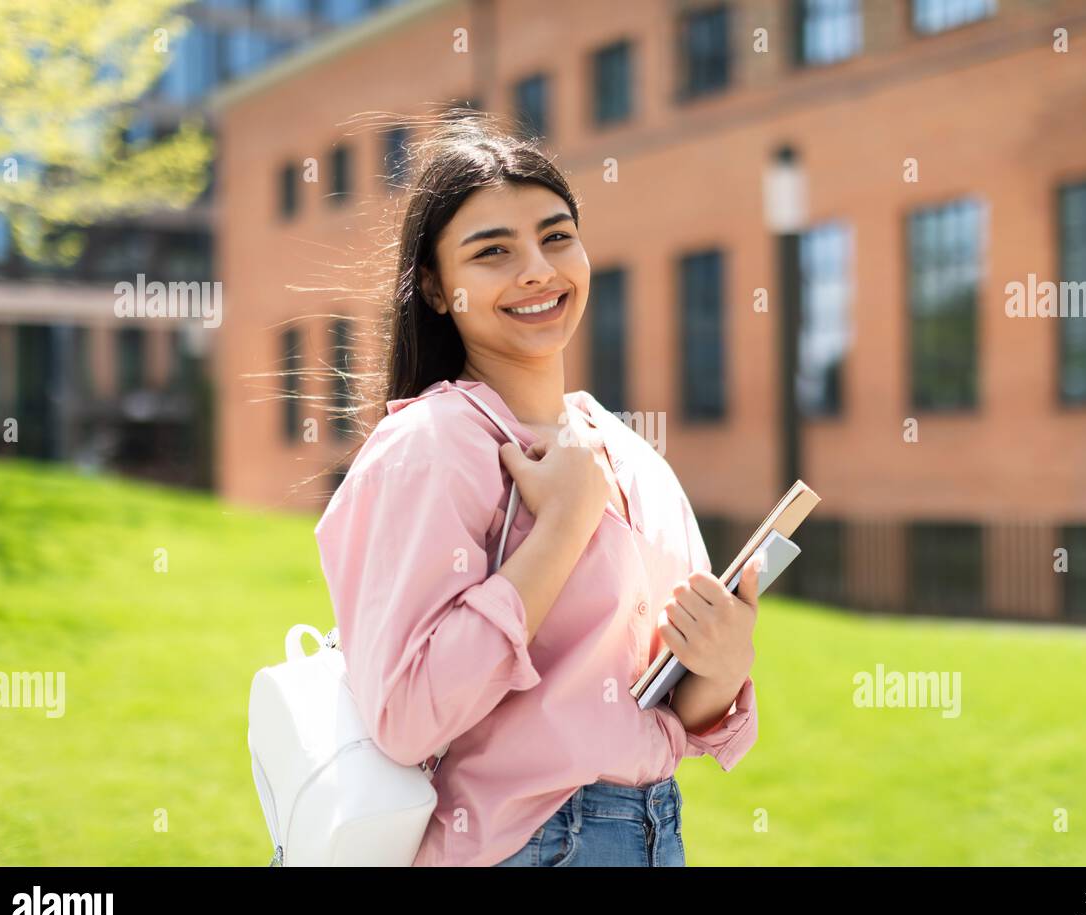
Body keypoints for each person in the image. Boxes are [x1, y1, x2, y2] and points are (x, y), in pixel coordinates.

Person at [313, 110, 760, 867]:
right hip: (520, 846)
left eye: (557, 237)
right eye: (493, 252)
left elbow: (670, 709)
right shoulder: (430, 446)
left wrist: (721, 665)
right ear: (434, 285)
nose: (537, 270)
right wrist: (562, 530)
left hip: (652, 833)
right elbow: (408, 715)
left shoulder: (627, 452)